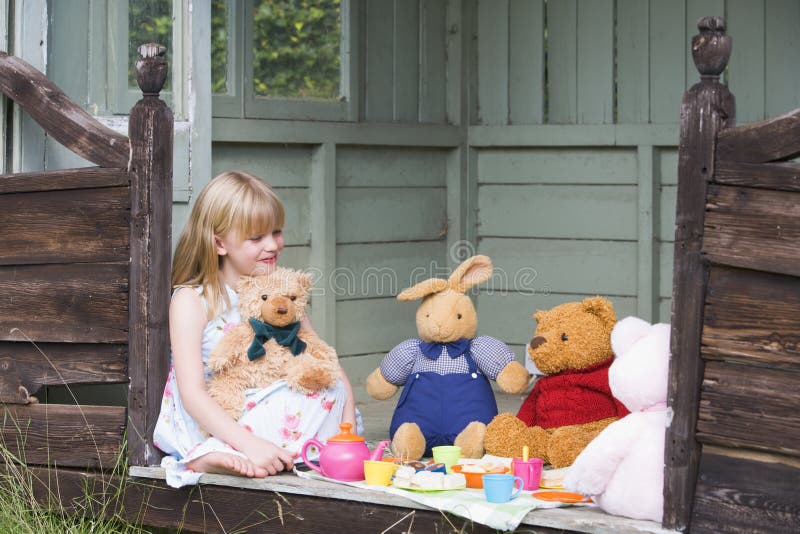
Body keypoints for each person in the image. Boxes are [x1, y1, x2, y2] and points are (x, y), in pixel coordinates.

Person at [153, 171, 359, 488]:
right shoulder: (194, 300)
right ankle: (214, 454)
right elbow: (192, 393)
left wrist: (348, 423)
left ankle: (284, 451)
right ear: (220, 243)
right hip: (222, 414)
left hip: (274, 404)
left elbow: (321, 354)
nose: (272, 245)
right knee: (297, 411)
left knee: (333, 387)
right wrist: (250, 443)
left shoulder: (282, 293)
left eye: (276, 232)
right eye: (256, 238)